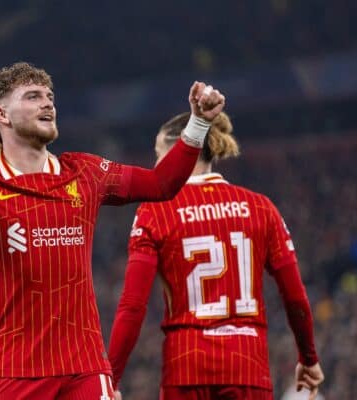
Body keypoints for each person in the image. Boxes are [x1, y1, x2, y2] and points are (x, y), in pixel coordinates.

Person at [0, 62, 225, 399]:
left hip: (85, 370)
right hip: (14, 372)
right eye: (33, 96)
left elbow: (161, 184)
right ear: (2, 115)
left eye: (50, 96)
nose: (48, 103)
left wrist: (198, 123)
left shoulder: (85, 172)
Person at [107, 112, 324, 400]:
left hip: (186, 367)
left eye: (159, 155)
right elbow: (295, 298)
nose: (156, 166)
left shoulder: (155, 212)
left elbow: (133, 306)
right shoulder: (261, 208)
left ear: (181, 150)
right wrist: (308, 358)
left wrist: (112, 378)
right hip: (248, 368)